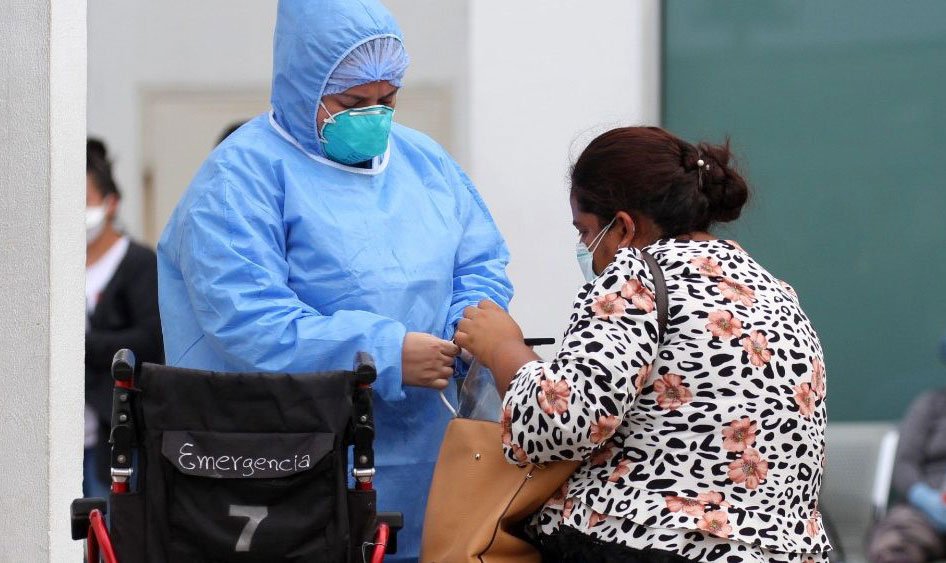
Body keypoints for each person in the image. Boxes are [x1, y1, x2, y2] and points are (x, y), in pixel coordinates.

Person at [156, 1, 512, 560]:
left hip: (429, 460)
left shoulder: (424, 163)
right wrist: (385, 354)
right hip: (285, 466)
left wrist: (464, 330)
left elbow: (480, 263)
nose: (372, 117)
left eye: (386, 101)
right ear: (301, 85)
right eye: (351, 103)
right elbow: (250, 321)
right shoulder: (239, 177)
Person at [456, 126, 830, 562]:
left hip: (654, 543)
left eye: (585, 231)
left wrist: (504, 347)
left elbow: (562, 424)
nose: (584, 247)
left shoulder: (638, 278)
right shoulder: (774, 291)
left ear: (624, 227)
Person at [85, 138, 164, 498]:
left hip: (111, 437)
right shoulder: (54, 266)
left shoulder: (139, 264)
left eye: (83, 201)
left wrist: (83, 347)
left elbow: (150, 339)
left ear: (110, 203)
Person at [868, 388, 946, 563]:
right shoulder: (931, 405)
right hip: (925, 513)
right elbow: (904, 465)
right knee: (891, 543)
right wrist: (924, 498)